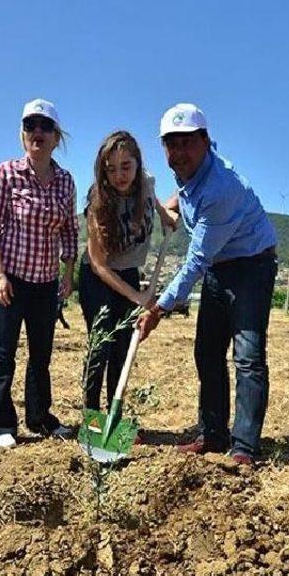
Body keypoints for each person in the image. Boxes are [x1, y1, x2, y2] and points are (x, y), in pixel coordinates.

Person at [138, 104, 278, 466]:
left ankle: (244, 446)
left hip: (251, 265)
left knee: (247, 356)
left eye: (187, 143)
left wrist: (159, 308)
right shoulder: (190, 173)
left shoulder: (221, 189)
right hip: (220, 263)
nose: (178, 152)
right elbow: (187, 197)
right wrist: (172, 204)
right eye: (171, 144)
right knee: (207, 351)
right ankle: (213, 434)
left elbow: (196, 261)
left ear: (205, 141)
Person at [0, 98, 78, 449]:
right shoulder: (6, 173)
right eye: (30, 126)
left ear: (56, 137)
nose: (37, 132)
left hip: (45, 282)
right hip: (10, 278)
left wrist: (68, 272)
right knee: (4, 350)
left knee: (41, 353)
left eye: (45, 127)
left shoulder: (66, 182)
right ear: (23, 135)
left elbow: (69, 230)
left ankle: (39, 417)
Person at [79, 131, 176, 410]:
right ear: (102, 171)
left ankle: (115, 412)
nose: (119, 175)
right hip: (99, 279)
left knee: (123, 348)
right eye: (111, 169)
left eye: (126, 166)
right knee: (101, 346)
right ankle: (91, 413)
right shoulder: (97, 200)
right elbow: (98, 264)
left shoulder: (146, 182)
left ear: (137, 164)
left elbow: (152, 197)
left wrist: (163, 214)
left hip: (129, 273)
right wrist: (137, 297)